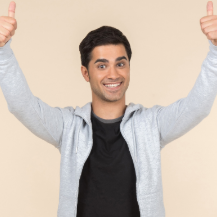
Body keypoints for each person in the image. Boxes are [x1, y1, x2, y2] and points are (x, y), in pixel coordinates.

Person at [1, 1, 217, 217]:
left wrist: (216, 51)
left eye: (120, 64)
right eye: (102, 66)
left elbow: (196, 107)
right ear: (86, 73)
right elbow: (23, 105)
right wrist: (3, 52)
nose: (113, 74)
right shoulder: (68, 127)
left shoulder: (151, 124)